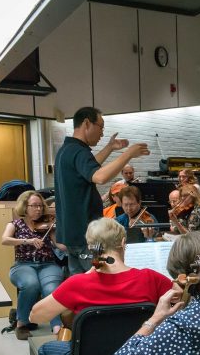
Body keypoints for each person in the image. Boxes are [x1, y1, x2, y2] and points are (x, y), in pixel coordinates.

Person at [26, 218, 172, 355]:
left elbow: (35, 316)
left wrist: (80, 284)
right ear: (123, 242)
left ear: (90, 247)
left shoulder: (78, 284)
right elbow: (183, 301)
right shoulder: (150, 278)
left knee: (45, 350)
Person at [54, 107, 149, 275]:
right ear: (87, 123)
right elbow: (99, 177)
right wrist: (128, 154)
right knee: (100, 284)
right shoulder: (78, 151)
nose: (102, 133)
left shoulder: (67, 149)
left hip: (73, 236)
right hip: (86, 237)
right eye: (101, 126)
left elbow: (88, 167)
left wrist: (110, 148)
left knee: (81, 288)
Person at [2, 191, 64, 339]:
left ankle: (57, 325)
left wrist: (72, 244)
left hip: (47, 264)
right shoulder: (15, 224)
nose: (38, 209)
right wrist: (27, 241)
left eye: (40, 206)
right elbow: (4, 240)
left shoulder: (48, 225)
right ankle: (21, 324)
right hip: (23, 265)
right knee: (31, 284)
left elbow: (59, 246)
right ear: (25, 206)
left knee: (51, 288)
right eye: (34, 206)